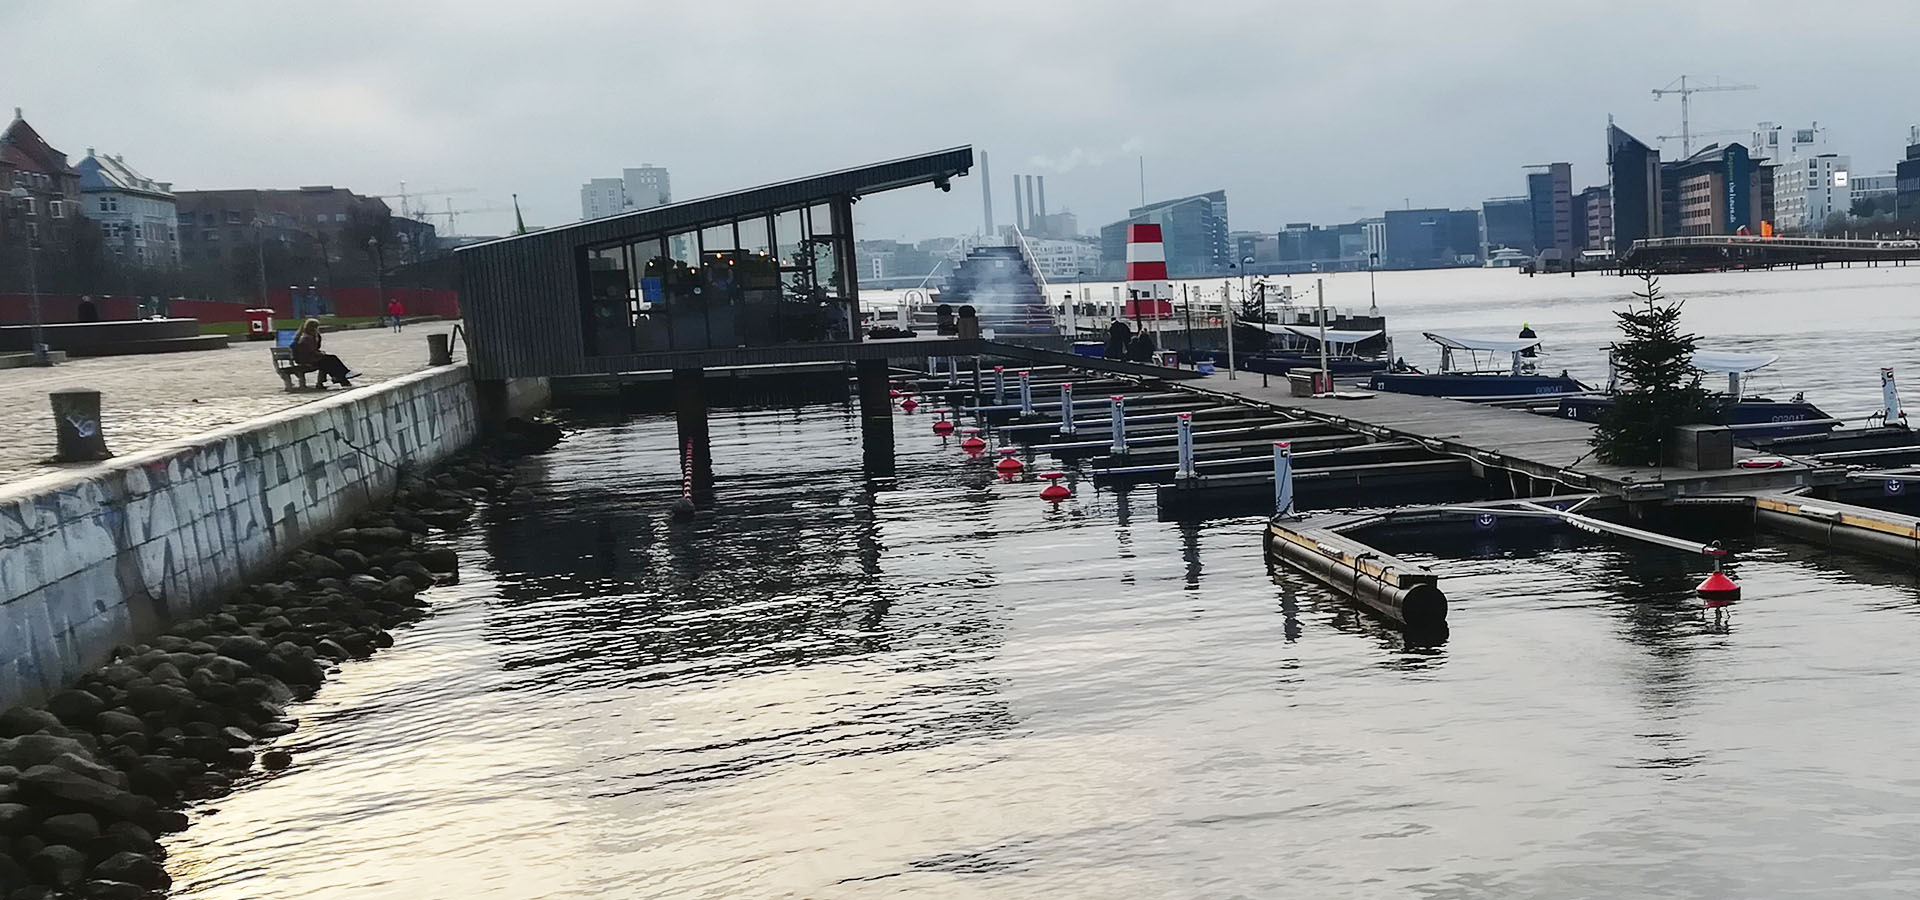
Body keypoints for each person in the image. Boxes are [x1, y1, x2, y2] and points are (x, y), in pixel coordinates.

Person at [291, 318, 357, 387]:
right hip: (308, 360)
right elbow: (310, 351)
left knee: (330, 360)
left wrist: (318, 342)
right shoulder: (306, 338)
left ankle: (339, 378)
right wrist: (320, 353)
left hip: (309, 358)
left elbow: (315, 349)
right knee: (330, 360)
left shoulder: (309, 336)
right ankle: (341, 377)